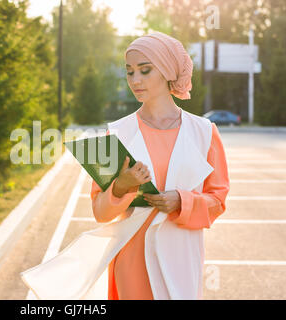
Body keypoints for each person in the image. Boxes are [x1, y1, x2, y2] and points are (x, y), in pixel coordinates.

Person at [90, 31, 230, 300]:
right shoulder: (116, 134)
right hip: (131, 260)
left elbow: (218, 201)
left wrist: (182, 201)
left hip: (181, 258)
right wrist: (121, 187)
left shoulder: (204, 132)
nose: (135, 80)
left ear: (167, 71)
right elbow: (100, 212)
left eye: (145, 70)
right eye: (129, 72)